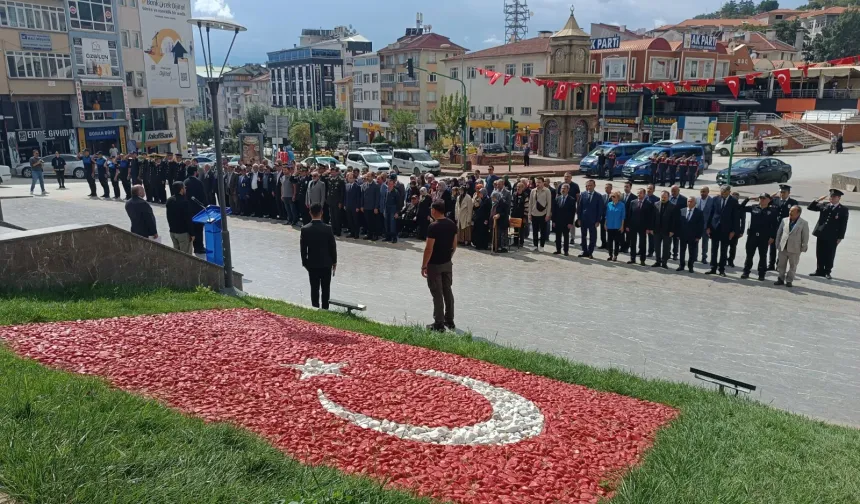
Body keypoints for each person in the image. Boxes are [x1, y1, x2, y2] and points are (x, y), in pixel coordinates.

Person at [422, 200, 457, 332]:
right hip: (447, 263)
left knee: (437, 293)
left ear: (435, 210)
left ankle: (439, 323)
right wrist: (448, 257)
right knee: (447, 291)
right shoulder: (452, 224)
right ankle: (450, 320)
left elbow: (428, 249)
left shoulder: (433, 226)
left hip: (434, 264)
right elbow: (454, 246)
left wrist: (424, 265)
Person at [300, 203, 337, 310]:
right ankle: (325, 309)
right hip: (326, 264)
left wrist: (305, 263)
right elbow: (332, 247)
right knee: (326, 289)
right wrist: (334, 262)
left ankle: (315, 308)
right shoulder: (328, 228)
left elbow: (303, 250)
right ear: (322, 213)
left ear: (310, 213)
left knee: (314, 288)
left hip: (312, 264)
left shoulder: (305, 229)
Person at [808, 189, 849, 279]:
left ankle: (827, 271)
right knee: (819, 252)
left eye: (834, 197)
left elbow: (843, 224)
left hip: (833, 235)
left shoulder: (843, 210)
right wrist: (817, 200)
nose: (831, 198)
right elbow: (810, 208)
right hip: (821, 233)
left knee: (829, 254)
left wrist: (840, 237)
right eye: (831, 196)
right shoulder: (824, 205)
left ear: (839, 198)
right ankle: (819, 270)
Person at [739, 193, 778, 281]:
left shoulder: (772, 211)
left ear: (769, 200)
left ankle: (761, 274)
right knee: (749, 255)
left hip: (764, 237)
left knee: (763, 256)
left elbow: (774, 225)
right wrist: (747, 198)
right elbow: (740, 208)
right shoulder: (754, 207)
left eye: (764, 198)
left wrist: (772, 236)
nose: (762, 200)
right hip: (752, 236)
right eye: (760, 198)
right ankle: (746, 272)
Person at [705, 185, 740, 277]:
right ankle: (713, 268)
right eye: (721, 192)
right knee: (714, 249)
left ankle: (721, 269)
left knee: (723, 250)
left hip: (726, 229)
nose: (723, 194)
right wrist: (708, 227)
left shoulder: (734, 201)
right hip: (715, 227)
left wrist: (734, 231)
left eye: (725, 192)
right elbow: (711, 213)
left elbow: (736, 217)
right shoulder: (715, 199)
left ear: (729, 192)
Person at [774, 205, 809, 288]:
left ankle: (789, 280)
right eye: (790, 211)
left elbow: (805, 236)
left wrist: (803, 246)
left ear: (798, 213)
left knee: (793, 266)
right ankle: (780, 279)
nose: (790, 212)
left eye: (793, 211)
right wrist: (777, 243)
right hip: (783, 247)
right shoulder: (784, 220)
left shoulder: (803, 223)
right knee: (781, 265)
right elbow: (779, 233)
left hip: (795, 248)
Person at [768, 184, 798, 271]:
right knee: (772, 247)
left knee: (782, 248)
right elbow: (765, 202)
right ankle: (771, 264)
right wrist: (770, 197)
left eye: (784, 192)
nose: (782, 194)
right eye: (781, 192)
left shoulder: (793, 202)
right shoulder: (774, 200)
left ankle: (779, 265)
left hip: (786, 228)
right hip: (774, 226)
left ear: (789, 193)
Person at [677, 196, 704, 273]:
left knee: (692, 252)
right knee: (682, 251)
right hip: (683, 235)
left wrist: (698, 236)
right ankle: (681, 265)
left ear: (695, 203)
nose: (689, 203)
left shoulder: (699, 212)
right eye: (688, 201)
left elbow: (700, 225)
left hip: (693, 236)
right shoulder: (682, 210)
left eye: (691, 201)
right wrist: (678, 234)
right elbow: (678, 224)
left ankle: (690, 266)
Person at [626, 188, 653, 265]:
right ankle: (632, 258)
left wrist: (648, 228)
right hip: (633, 226)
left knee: (642, 244)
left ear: (644, 194)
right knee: (632, 243)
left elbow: (650, 217)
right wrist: (628, 225)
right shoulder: (633, 202)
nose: (638, 195)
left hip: (643, 227)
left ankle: (642, 260)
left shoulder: (649, 203)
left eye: (640, 193)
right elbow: (629, 214)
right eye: (637, 193)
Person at [166, 181, 194, 254]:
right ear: (181, 190)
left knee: (176, 254)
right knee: (186, 256)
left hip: (173, 232)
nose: (185, 189)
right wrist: (192, 234)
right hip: (183, 233)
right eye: (184, 188)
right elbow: (188, 219)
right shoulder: (184, 202)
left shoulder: (169, 200)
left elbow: (168, 216)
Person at [184, 165, 207, 254]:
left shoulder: (185, 182)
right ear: (195, 172)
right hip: (198, 210)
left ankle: (194, 246)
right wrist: (206, 206)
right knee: (199, 229)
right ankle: (199, 247)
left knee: (192, 229)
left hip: (188, 209)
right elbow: (203, 196)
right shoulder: (198, 182)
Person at [578, 179, 603, 258]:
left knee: (593, 237)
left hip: (593, 220)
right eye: (588, 185)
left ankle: (590, 252)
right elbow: (579, 207)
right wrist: (579, 219)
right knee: (583, 236)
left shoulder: (598, 196)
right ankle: (584, 251)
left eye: (591, 185)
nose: (589, 187)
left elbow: (600, 209)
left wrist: (598, 220)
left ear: (594, 186)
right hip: (584, 219)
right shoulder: (583, 194)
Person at [651, 190, 676, 269]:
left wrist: (672, 230)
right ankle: (658, 261)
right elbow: (653, 218)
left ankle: (664, 262)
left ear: (668, 197)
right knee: (657, 247)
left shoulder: (672, 206)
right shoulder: (656, 204)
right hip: (657, 230)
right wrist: (651, 228)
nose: (663, 198)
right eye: (662, 197)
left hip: (667, 231)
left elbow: (674, 220)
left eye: (665, 197)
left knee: (666, 247)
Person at [528, 177, 552, 251]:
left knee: (543, 231)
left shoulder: (547, 191)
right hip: (534, 214)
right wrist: (529, 214)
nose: (537, 184)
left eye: (539, 182)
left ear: (543, 183)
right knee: (534, 231)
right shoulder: (533, 191)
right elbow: (530, 203)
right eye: (536, 182)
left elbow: (549, 203)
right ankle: (535, 245)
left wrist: (548, 214)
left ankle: (542, 245)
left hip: (543, 214)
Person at [552, 183, 576, 256]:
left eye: (564, 188)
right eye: (562, 188)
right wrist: (553, 221)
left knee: (566, 237)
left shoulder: (572, 200)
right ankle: (558, 249)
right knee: (558, 236)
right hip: (558, 221)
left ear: (568, 190)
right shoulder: (557, 198)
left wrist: (570, 223)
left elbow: (572, 212)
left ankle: (566, 251)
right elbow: (554, 211)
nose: (562, 190)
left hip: (566, 222)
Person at [604, 191, 626, 261]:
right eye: (612, 196)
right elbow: (606, 215)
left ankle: (615, 255)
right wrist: (605, 224)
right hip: (610, 225)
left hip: (617, 226)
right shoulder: (609, 204)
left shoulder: (622, 205)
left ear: (618, 198)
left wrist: (622, 226)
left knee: (616, 242)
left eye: (614, 196)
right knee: (609, 242)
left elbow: (623, 217)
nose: (612, 198)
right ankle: (610, 255)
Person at [668, 185, 687, 261]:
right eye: (672, 191)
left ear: (679, 191)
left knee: (676, 240)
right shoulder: (668, 198)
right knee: (668, 240)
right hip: (669, 222)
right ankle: (668, 253)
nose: (673, 192)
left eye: (675, 191)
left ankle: (675, 254)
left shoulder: (683, 199)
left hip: (678, 223)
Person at [697, 187, 714, 264]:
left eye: (704, 192)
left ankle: (704, 257)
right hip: (697, 226)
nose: (702, 193)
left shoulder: (712, 201)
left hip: (706, 226)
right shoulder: (697, 200)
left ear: (708, 192)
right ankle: (694, 256)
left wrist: (709, 227)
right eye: (701, 191)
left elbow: (713, 215)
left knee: (705, 242)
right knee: (695, 241)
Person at [327, 166, 346, 236]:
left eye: (334, 172)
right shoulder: (330, 179)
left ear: (337, 172)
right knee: (332, 217)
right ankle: (333, 230)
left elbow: (342, 193)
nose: (332, 173)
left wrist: (341, 202)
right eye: (331, 172)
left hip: (337, 202)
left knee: (337, 217)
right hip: (331, 201)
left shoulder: (340, 180)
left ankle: (338, 231)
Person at [728, 191, 745, 267]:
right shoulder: (727, 205)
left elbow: (743, 220)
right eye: (733, 196)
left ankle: (731, 260)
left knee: (733, 246)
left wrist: (742, 231)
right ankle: (723, 259)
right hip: (727, 229)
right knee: (724, 246)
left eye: (736, 197)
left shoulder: (740, 207)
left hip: (736, 230)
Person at [361, 173, 380, 240]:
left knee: (373, 222)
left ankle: (375, 235)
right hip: (366, 207)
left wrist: (376, 207)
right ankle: (369, 234)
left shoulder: (376, 186)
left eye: (369, 176)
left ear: (372, 177)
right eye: (367, 176)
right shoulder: (364, 185)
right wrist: (362, 206)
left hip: (372, 207)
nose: (367, 178)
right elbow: (362, 196)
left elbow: (377, 198)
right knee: (367, 222)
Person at [511, 181, 530, 247]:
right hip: (515, 214)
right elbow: (512, 204)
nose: (518, 188)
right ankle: (515, 242)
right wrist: (512, 213)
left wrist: (525, 216)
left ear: (522, 188)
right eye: (517, 187)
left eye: (519, 187)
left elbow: (527, 207)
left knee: (521, 229)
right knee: (515, 228)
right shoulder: (514, 194)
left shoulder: (525, 196)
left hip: (522, 215)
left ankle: (521, 242)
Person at [599, 183, 613, 250]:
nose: (606, 189)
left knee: (609, 231)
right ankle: (603, 243)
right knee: (602, 231)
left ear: (611, 188)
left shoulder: (613, 196)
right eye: (605, 188)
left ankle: (609, 244)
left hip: (610, 217)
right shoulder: (603, 196)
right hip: (603, 217)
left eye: (608, 187)